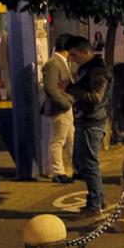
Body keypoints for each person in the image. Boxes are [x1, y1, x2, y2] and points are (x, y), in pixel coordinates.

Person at [65, 37, 111, 216]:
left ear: (86, 52)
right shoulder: (87, 68)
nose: (72, 58)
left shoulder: (97, 70)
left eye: (74, 54)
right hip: (85, 120)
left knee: (89, 163)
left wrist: (70, 88)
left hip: (93, 121)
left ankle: (95, 203)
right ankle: (99, 197)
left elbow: (95, 98)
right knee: (79, 161)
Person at [41, 33, 75, 182]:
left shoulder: (62, 62)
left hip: (66, 107)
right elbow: (50, 88)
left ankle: (76, 168)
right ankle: (58, 173)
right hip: (60, 108)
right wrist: (65, 103)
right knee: (58, 141)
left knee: (71, 139)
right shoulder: (53, 64)